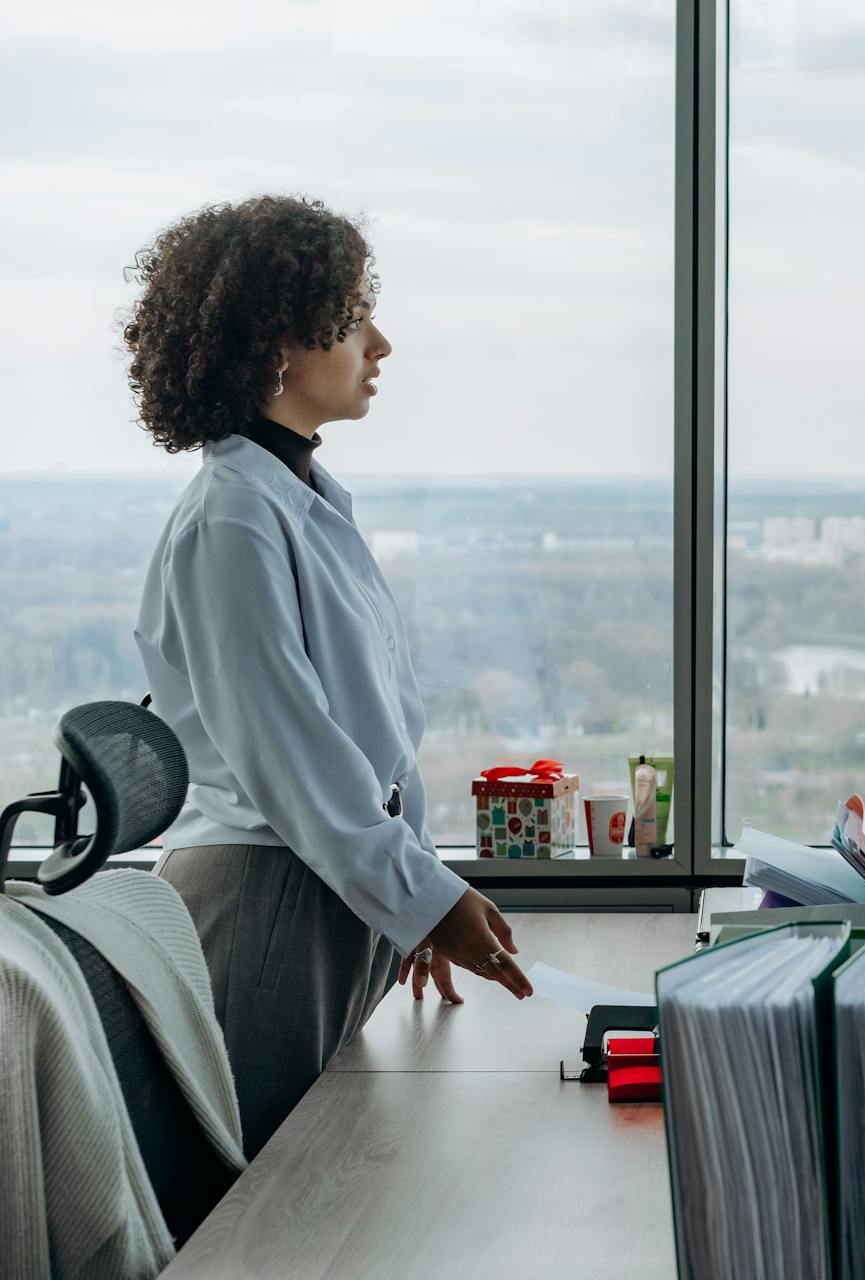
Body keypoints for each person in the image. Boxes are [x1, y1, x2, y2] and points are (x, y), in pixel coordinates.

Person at [126, 194, 534, 1156]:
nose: (380, 344)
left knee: (330, 1194)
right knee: (275, 1217)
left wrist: (412, 903)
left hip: (326, 890)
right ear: (278, 342)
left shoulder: (296, 496)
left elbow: (369, 740)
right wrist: (424, 898)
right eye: (352, 319)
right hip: (270, 904)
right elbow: (296, 761)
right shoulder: (231, 518)